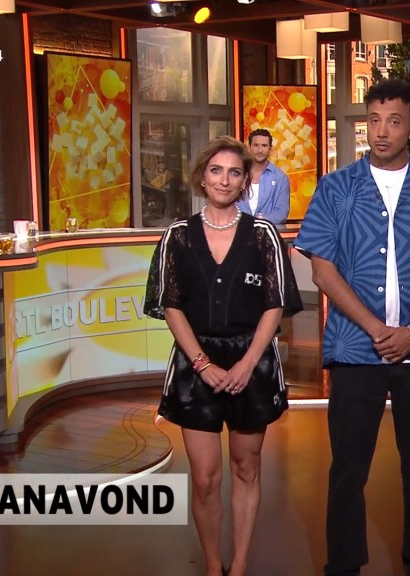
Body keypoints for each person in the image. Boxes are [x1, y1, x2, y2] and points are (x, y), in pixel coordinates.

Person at [295, 78, 410, 576]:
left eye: (394, 121)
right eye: (373, 120)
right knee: (347, 468)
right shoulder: (336, 188)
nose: (381, 131)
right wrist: (378, 329)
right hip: (355, 349)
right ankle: (343, 566)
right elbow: (322, 270)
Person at [143, 135, 302, 576]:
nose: (225, 180)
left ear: (245, 180)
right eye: (216, 170)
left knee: (246, 467)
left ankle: (241, 563)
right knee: (206, 477)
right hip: (196, 366)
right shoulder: (177, 237)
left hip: (253, 361)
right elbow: (170, 305)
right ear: (202, 177)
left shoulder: (264, 235)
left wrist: (247, 364)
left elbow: (275, 304)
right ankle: (213, 566)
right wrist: (203, 364)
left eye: (235, 172)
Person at [236, 128, 290, 225]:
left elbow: (281, 213)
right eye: (256, 145)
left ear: (270, 149)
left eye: (264, 146)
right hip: (236, 231)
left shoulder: (280, 178)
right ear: (249, 147)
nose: (260, 150)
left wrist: (258, 221)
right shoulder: (237, 174)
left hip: (265, 232)